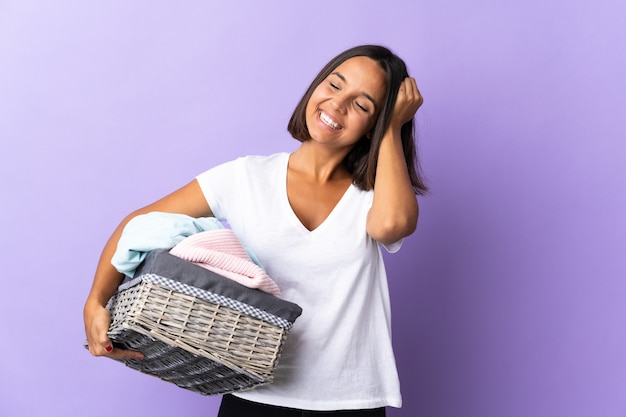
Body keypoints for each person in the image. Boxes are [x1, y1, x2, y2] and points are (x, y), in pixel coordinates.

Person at [84, 44, 428, 416]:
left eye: (363, 105)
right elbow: (139, 225)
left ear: (374, 126)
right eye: (334, 85)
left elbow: (393, 225)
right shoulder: (245, 176)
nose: (337, 105)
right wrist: (95, 303)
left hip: (351, 399)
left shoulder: (376, 196)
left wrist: (393, 128)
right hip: (254, 392)